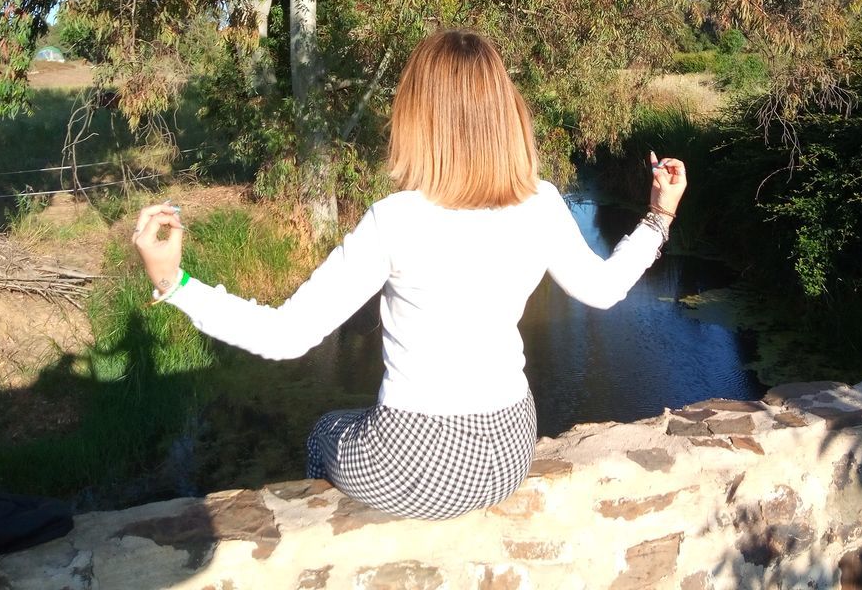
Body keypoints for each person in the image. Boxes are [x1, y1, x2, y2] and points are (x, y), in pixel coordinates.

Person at [132, 29, 687, 519]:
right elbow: (604, 290)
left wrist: (175, 283)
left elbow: (287, 335)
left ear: (419, 118)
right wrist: (659, 216)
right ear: (504, 114)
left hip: (417, 458)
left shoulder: (395, 219)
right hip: (511, 445)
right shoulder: (539, 202)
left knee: (324, 431)